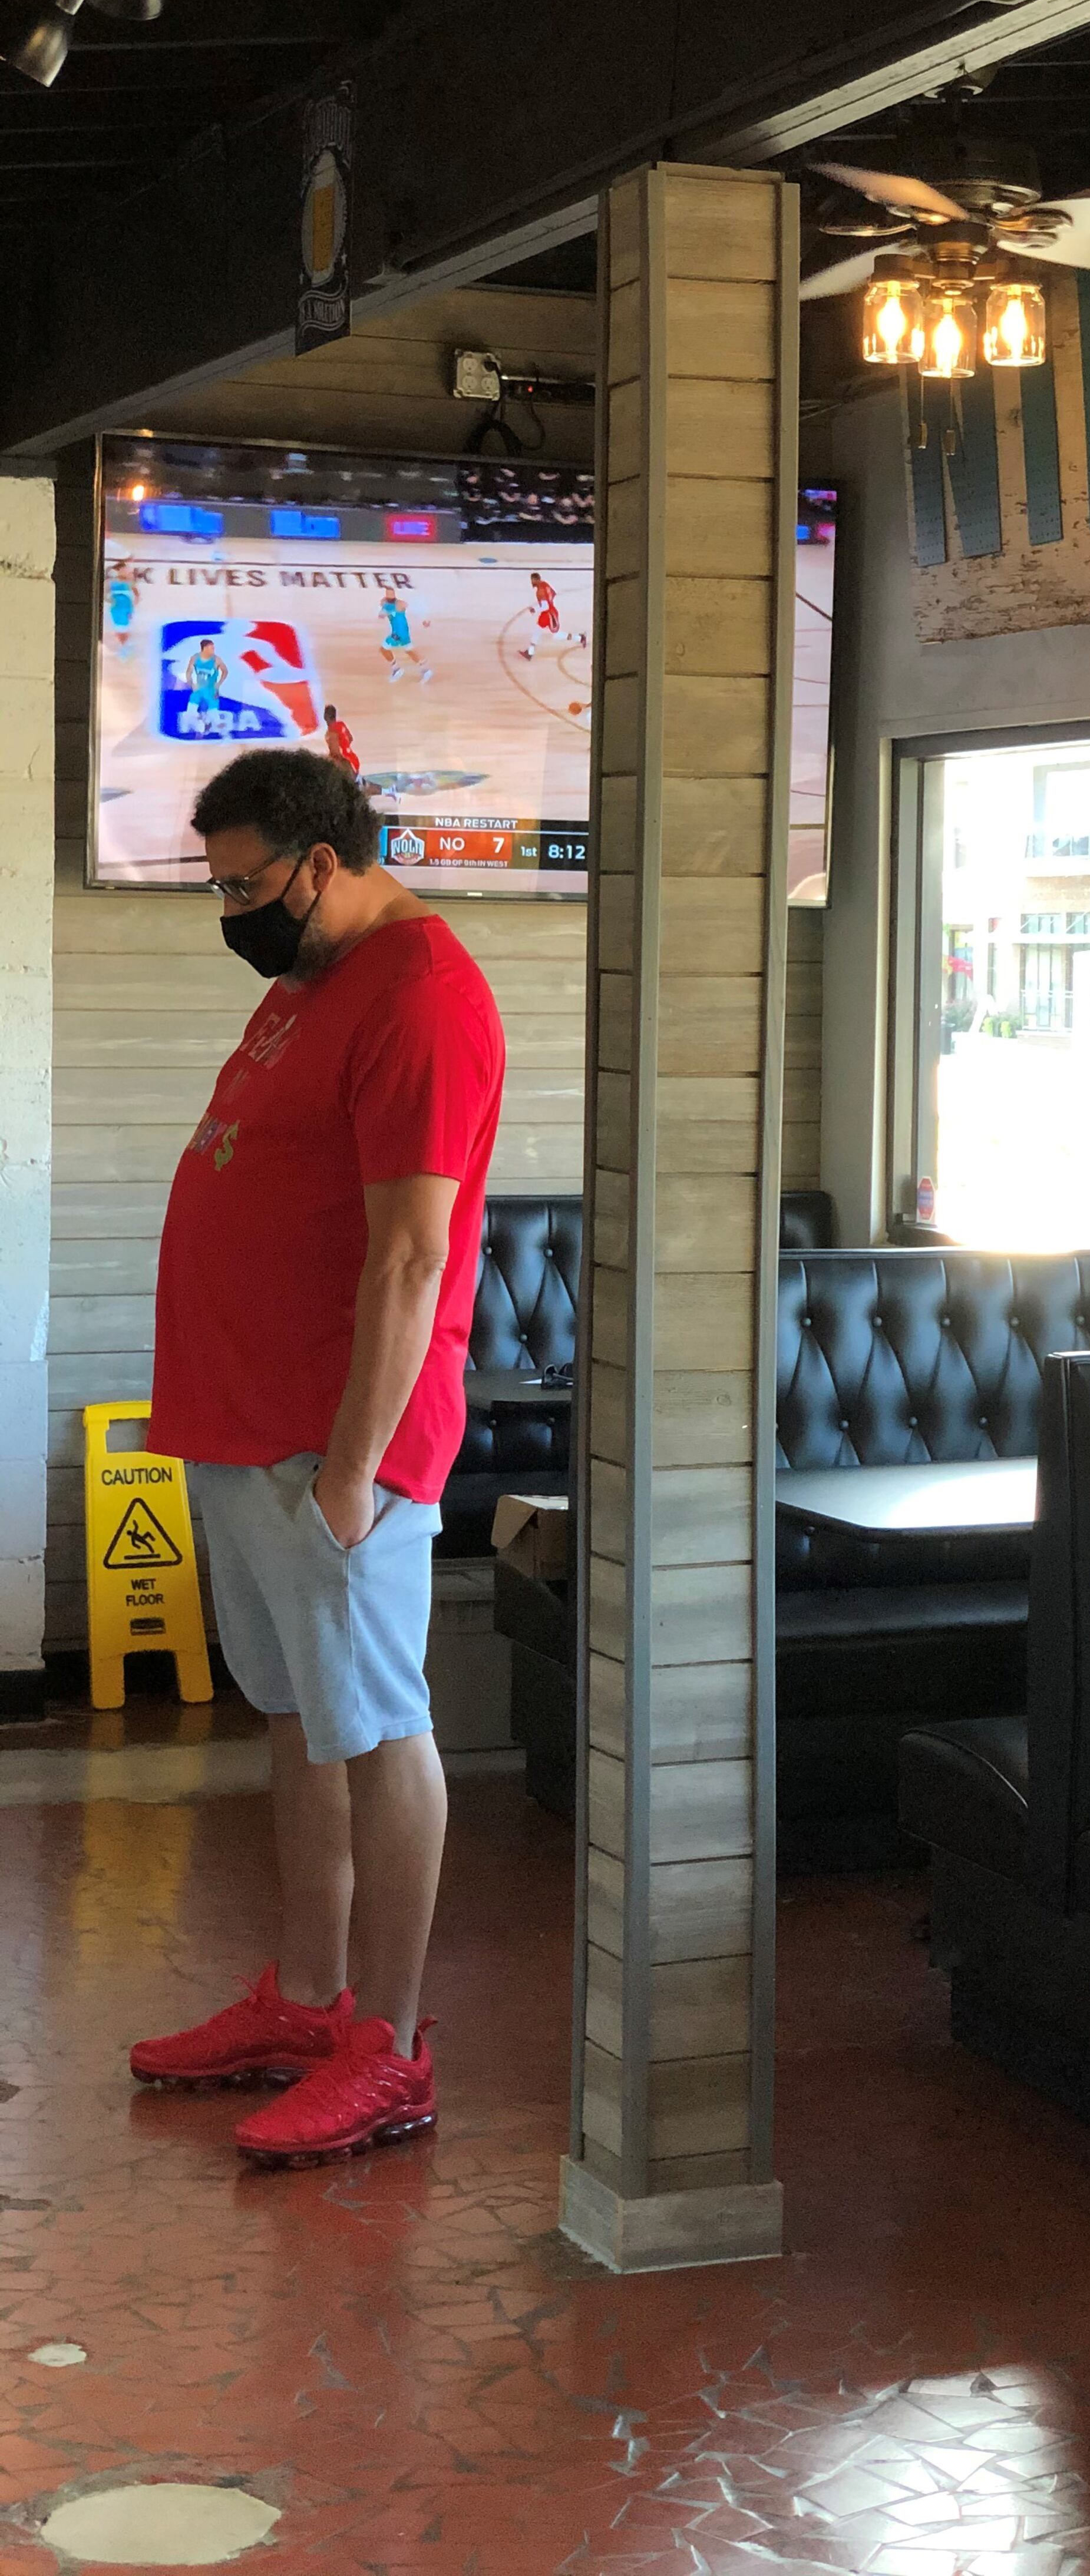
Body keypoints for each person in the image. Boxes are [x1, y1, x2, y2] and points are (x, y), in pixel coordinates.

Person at [134, 749, 504, 2168]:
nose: (233, 910)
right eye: (218, 886)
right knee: (298, 1718)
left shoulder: (423, 996)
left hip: (334, 1445)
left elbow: (412, 1256)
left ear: (325, 862)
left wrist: (355, 1468)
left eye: (247, 885)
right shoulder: (311, 979)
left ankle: (391, 2050)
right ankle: (306, 1999)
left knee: (381, 1727)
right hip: (247, 1423)